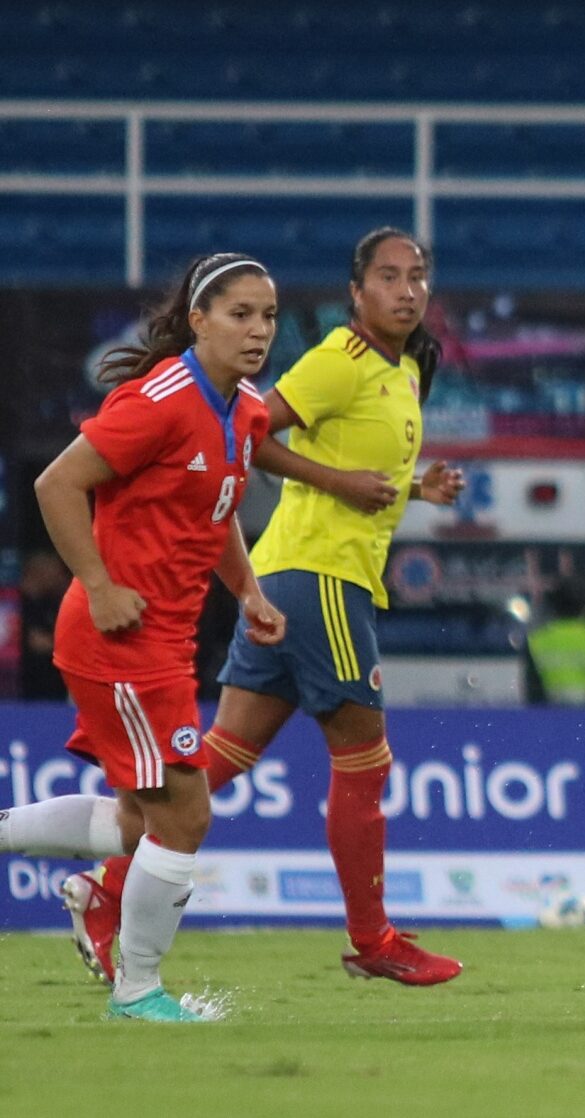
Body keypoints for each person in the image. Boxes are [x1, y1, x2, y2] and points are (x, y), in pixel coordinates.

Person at [61, 228, 469, 990]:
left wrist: (413, 489)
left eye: (417, 276)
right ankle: (371, 938)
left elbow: (306, 453)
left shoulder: (404, 368)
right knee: (364, 760)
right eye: (388, 277)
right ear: (355, 293)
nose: (407, 290)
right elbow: (253, 433)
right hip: (321, 576)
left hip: (282, 580)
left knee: (215, 762)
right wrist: (336, 482)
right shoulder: (337, 362)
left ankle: (105, 890)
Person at [0, 253, 281, 1021]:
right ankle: (139, 991)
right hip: (119, 638)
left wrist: (248, 589)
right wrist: (96, 582)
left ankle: (122, 960)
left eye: (268, 316)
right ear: (198, 319)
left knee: (137, 820)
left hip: (163, 639)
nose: (257, 331)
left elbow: (214, 510)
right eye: (239, 314)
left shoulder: (246, 408)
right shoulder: (157, 401)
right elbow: (55, 484)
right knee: (185, 815)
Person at [525, 578, 585, 706]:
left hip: (552, 715)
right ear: (584, 606)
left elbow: (532, 691)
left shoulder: (537, 640)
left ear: (553, 606)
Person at [15, 550, 69, 700]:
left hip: (55, 688)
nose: (59, 577)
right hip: (22, 687)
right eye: (54, 572)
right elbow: (37, 642)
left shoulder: (51, 603)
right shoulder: (16, 603)